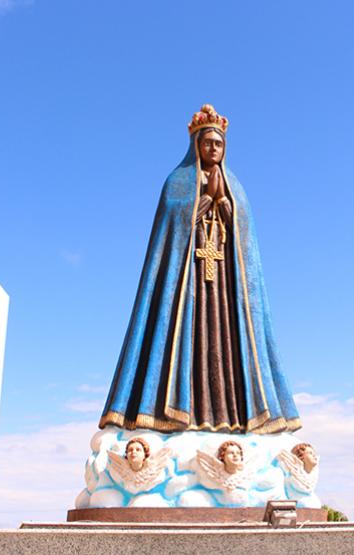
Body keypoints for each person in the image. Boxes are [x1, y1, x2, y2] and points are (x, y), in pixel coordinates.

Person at [99, 105, 300, 434]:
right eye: (207, 143)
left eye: (218, 144)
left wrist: (225, 203)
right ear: (196, 146)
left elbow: (246, 238)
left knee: (225, 344)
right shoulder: (177, 181)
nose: (213, 149)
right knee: (188, 341)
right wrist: (205, 199)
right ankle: (176, 412)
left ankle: (232, 417)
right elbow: (172, 225)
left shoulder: (235, 186)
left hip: (225, 286)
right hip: (185, 283)